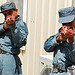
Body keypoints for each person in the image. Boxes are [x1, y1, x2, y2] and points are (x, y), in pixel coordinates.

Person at [44, 7, 75, 75]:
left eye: (69, 22)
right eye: (64, 23)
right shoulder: (59, 34)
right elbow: (46, 47)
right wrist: (58, 39)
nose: (67, 26)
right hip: (55, 72)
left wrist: (71, 40)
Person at [0, 2, 28, 75]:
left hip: (8, 57)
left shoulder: (20, 24)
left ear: (16, 11)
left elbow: (20, 43)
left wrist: (12, 26)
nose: (7, 16)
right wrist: (4, 27)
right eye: (5, 14)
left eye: (9, 13)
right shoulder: (4, 24)